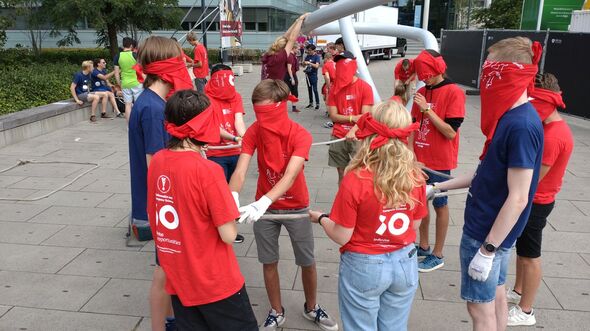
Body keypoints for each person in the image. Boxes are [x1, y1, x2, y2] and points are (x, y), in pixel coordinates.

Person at [430, 37, 544, 331]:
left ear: (507, 74)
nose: (484, 81)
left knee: (479, 310)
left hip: (486, 234)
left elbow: (518, 197)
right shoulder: (510, 119)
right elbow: (485, 175)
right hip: (490, 231)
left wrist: (487, 251)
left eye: (490, 72)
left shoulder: (520, 125)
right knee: (496, 298)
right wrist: (437, 187)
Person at [229, 80, 338, 331]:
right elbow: (241, 169)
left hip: (296, 206)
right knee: (269, 261)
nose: (262, 119)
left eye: (266, 112)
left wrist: (264, 201)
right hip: (264, 208)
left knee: (307, 260)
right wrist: (232, 196)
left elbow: (290, 176)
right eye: (257, 112)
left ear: (280, 107)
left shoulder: (300, 134)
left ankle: (311, 307)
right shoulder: (255, 132)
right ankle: (276, 311)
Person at [147, 90, 258, 331]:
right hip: (215, 282)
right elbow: (228, 234)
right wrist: (233, 212)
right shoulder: (208, 171)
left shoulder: (157, 160)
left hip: (179, 278)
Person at [310, 100, 425, 331]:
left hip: (364, 265)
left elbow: (342, 235)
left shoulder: (356, 178)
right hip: (404, 261)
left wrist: (322, 219)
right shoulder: (415, 175)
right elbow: (415, 223)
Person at [128, 35, 194, 331]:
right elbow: (158, 168)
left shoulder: (149, 102)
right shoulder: (154, 108)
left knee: (167, 270)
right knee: (164, 271)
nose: (185, 67)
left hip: (158, 206)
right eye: (180, 61)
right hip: (163, 207)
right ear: (167, 66)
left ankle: (170, 322)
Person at [506, 73, 573, 327]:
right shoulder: (551, 128)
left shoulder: (554, 135)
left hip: (537, 202)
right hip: (538, 199)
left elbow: (533, 177)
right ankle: (518, 290)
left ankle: (525, 310)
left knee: (529, 256)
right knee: (523, 251)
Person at [410, 49, 466, 273]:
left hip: (439, 160)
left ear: (438, 69)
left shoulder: (454, 92)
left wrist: (427, 110)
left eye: (428, 75)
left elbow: (450, 132)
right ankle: (424, 246)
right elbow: (413, 125)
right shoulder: (423, 91)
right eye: (422, 75)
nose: (425, 79)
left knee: (440, 205)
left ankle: (438, 253)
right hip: (418, 160)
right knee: (420, 204)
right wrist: (410, 155)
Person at [204, 64, 247, 244]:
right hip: (215, 154)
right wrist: (235, 137)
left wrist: (244, 139)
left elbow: (238, 120)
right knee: (218, 194)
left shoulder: (235, 96)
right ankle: (217, 229)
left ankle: (228, 229)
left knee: (232, 194)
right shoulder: (206, 98)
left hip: (234, 152)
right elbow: (213, 126)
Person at [327, 51, 374, 186]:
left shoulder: (365, 87)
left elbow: (365, 116)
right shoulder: (334, 89)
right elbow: (333, 116)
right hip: (338, 136)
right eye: (339, 64)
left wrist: (353, 130)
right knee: (342, 172)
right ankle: (343, 199)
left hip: (358, 137)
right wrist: (353, 118)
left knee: (358, 173)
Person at [261, 13, 309, 80]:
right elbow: (292, 38)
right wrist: (301, 19)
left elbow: (286, 36)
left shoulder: (269, 54)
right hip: (273, 88)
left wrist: (297, 21)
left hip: (264, 85)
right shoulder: (280, 57)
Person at [114, 37, 143, 121]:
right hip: (137, 82)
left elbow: (116, 73)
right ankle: (139, 123)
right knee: (138, 104)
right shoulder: (135, 55)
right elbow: (141, 69)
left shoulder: (118, 56)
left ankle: (129, 125)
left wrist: (119, 84)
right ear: (131, 45)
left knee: (128, 105)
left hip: (125, 83)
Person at [303, 44, 321, 110]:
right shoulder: (307, 56)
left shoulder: (317, 57)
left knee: (315, 90)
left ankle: (317, 103)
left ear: (314, 50)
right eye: (308, 50)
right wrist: (304, 63)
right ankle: (311, 103)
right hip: (308, 75)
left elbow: (317, 66)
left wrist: (309, 63)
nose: (309, 52)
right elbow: (303, 65)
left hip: (313, 75)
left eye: (310, 50)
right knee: (309, 89)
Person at [285, 44, 301, 113]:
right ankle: (283, 107)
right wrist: (292, 78)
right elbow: (289, 68)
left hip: (292, 74)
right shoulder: (290, 56)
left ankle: (294, 107)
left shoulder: (293, 55)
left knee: (294, 91)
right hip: (289, 75)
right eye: (297, 48)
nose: (298, 50)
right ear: (293, 48)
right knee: (288, 91)